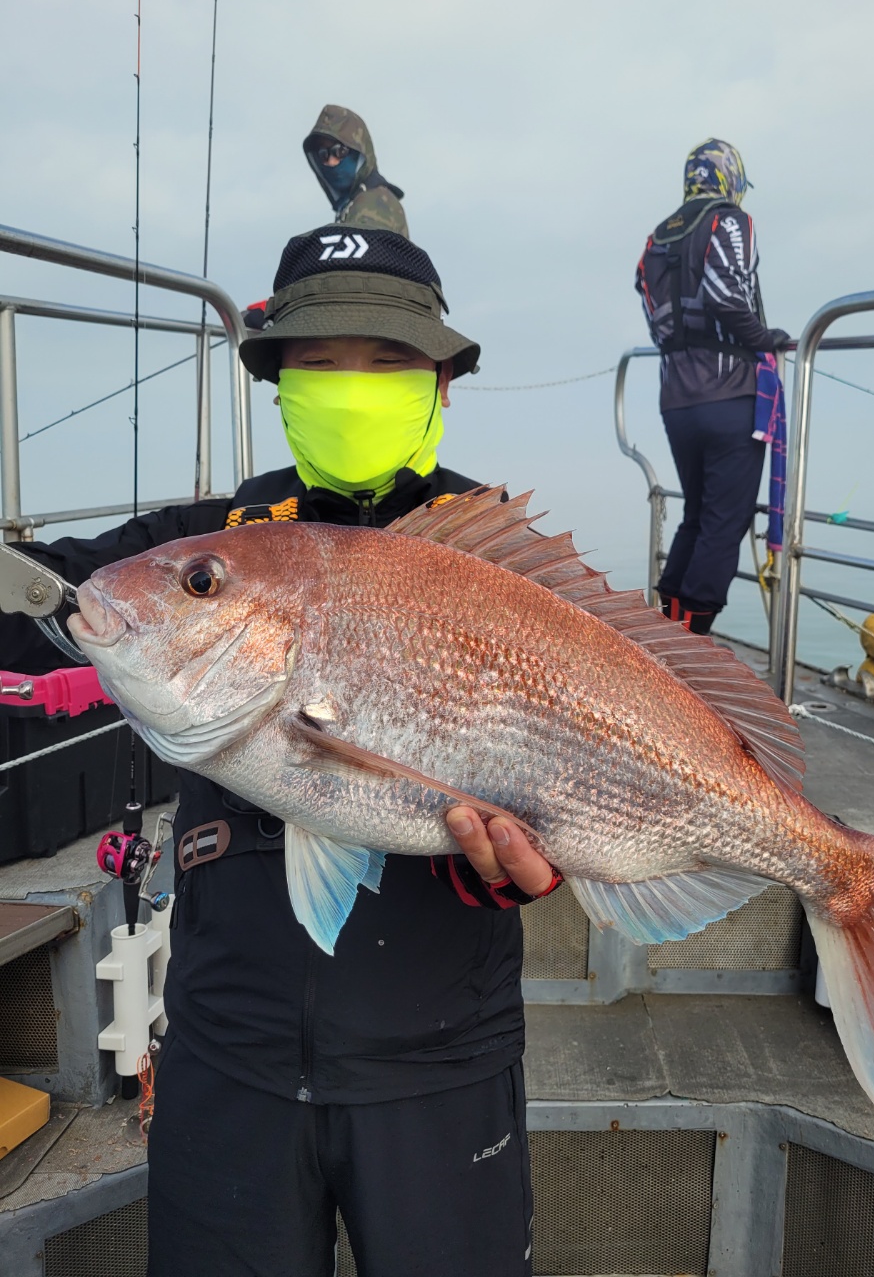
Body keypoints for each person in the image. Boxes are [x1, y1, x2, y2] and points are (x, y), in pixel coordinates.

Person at [1, 225, 558, 1277]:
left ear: (443, 380)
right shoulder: (207, 548)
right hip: (227, 1052)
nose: (353, 384)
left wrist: (546, 854)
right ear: (278, 381)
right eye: (320, 360)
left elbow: (593, 750)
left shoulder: (509, 571)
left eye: (387, 359)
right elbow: (44, 592)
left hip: (443, 1059)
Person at [635, 139, 789, 634]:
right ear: (730, 178)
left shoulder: (657, 239)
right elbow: (726, 295)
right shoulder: (729, 221)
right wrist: (764, 339)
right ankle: (687, 648)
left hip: (677, 401)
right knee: (724, 523)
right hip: (729, 396)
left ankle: (665, 636)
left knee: (698, 516)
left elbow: (656, 318)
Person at [304, 104, 410, 236]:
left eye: (340, 151)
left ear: (359, 152)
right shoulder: (354, 203)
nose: (331, 162)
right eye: (323, 154)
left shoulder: (372, 203)